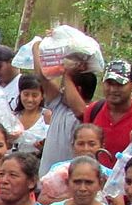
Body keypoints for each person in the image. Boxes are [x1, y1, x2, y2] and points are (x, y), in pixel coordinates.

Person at [35, 39, 99, 174]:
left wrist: (68, 74)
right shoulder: (59, 105)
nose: (62, 89)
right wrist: (37, 46)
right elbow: (42, 77)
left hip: (68, 186)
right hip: (45, 184)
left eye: (65, 86)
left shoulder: (89, 116)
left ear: (78, 90)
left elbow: (81, 111)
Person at [48, 156, 115, 205]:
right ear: (67, 182)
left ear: (100, 183)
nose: (82, 188)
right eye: (77, 182)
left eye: (89, 182)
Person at [13, 74, 50, 152]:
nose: (30, 99)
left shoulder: (46, 116)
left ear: (42, 96)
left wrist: (42, 148)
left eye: (35, 95)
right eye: (26, 94)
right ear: (20, 94)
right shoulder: (14, 117)